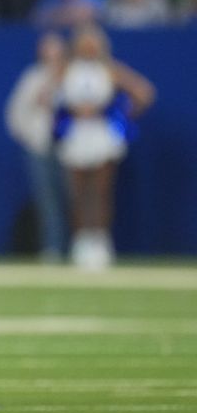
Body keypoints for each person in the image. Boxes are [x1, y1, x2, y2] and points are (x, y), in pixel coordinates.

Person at [56, 23, 155, 270]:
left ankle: (100, 243)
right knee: (78, 193)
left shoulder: (109, 69)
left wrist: (118, 115)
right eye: (84, 43)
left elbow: (144, 92)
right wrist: (73, 111)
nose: (88, 48)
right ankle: (80, 243)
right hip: (76, 134)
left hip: (101, 133)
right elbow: (48, 96)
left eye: (93, 44)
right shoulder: (66, 69)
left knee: (100, 192)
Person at [5, 32, 70, 261]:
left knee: (75, 199)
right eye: (47, 50)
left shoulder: (72, 75)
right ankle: (53, 248)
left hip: (72, 150)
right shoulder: (32, 78)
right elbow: (15, 113)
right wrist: (30, 139)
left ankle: (82, 248)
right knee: (48, 201)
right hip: (40, 148)